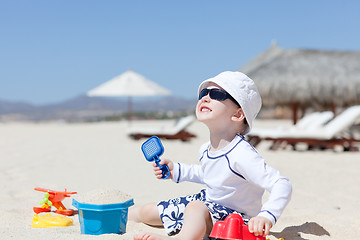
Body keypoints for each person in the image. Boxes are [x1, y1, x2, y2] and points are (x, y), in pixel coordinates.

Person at [129, 71, 292, 240]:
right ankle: (118, 215)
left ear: (237, 114)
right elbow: (210, 175)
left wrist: (267, 215)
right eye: (203, 93)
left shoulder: (242, 154)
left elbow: (281, 183)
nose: (205, 98)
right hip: (208, 205)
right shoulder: (206, 149)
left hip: (236, 219)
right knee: (148, 211)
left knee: (194, 208)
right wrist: (176, 170)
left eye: (216, 94)